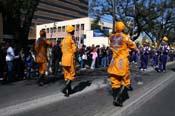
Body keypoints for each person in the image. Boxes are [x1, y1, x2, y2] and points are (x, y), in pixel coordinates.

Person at [107, 21, 138, 106]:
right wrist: (136, 50)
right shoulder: (125, 37)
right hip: (122, 62)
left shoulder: (111, 37)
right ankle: (118, 99)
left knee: (115, 81)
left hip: (113, 62)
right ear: (123, 28)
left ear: (116, 28)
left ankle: (115, 97)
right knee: (125, 81)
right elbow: (133, 46)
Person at [61, 25, 77, 97]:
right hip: (70, 58)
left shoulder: (63, 39)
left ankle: (69, 91)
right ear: (72, 31)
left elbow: (62, 49)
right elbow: (75, 49)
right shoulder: (72, 38)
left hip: (63, 59)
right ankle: (65, 88)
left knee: (67, 75)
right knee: (72, 75)